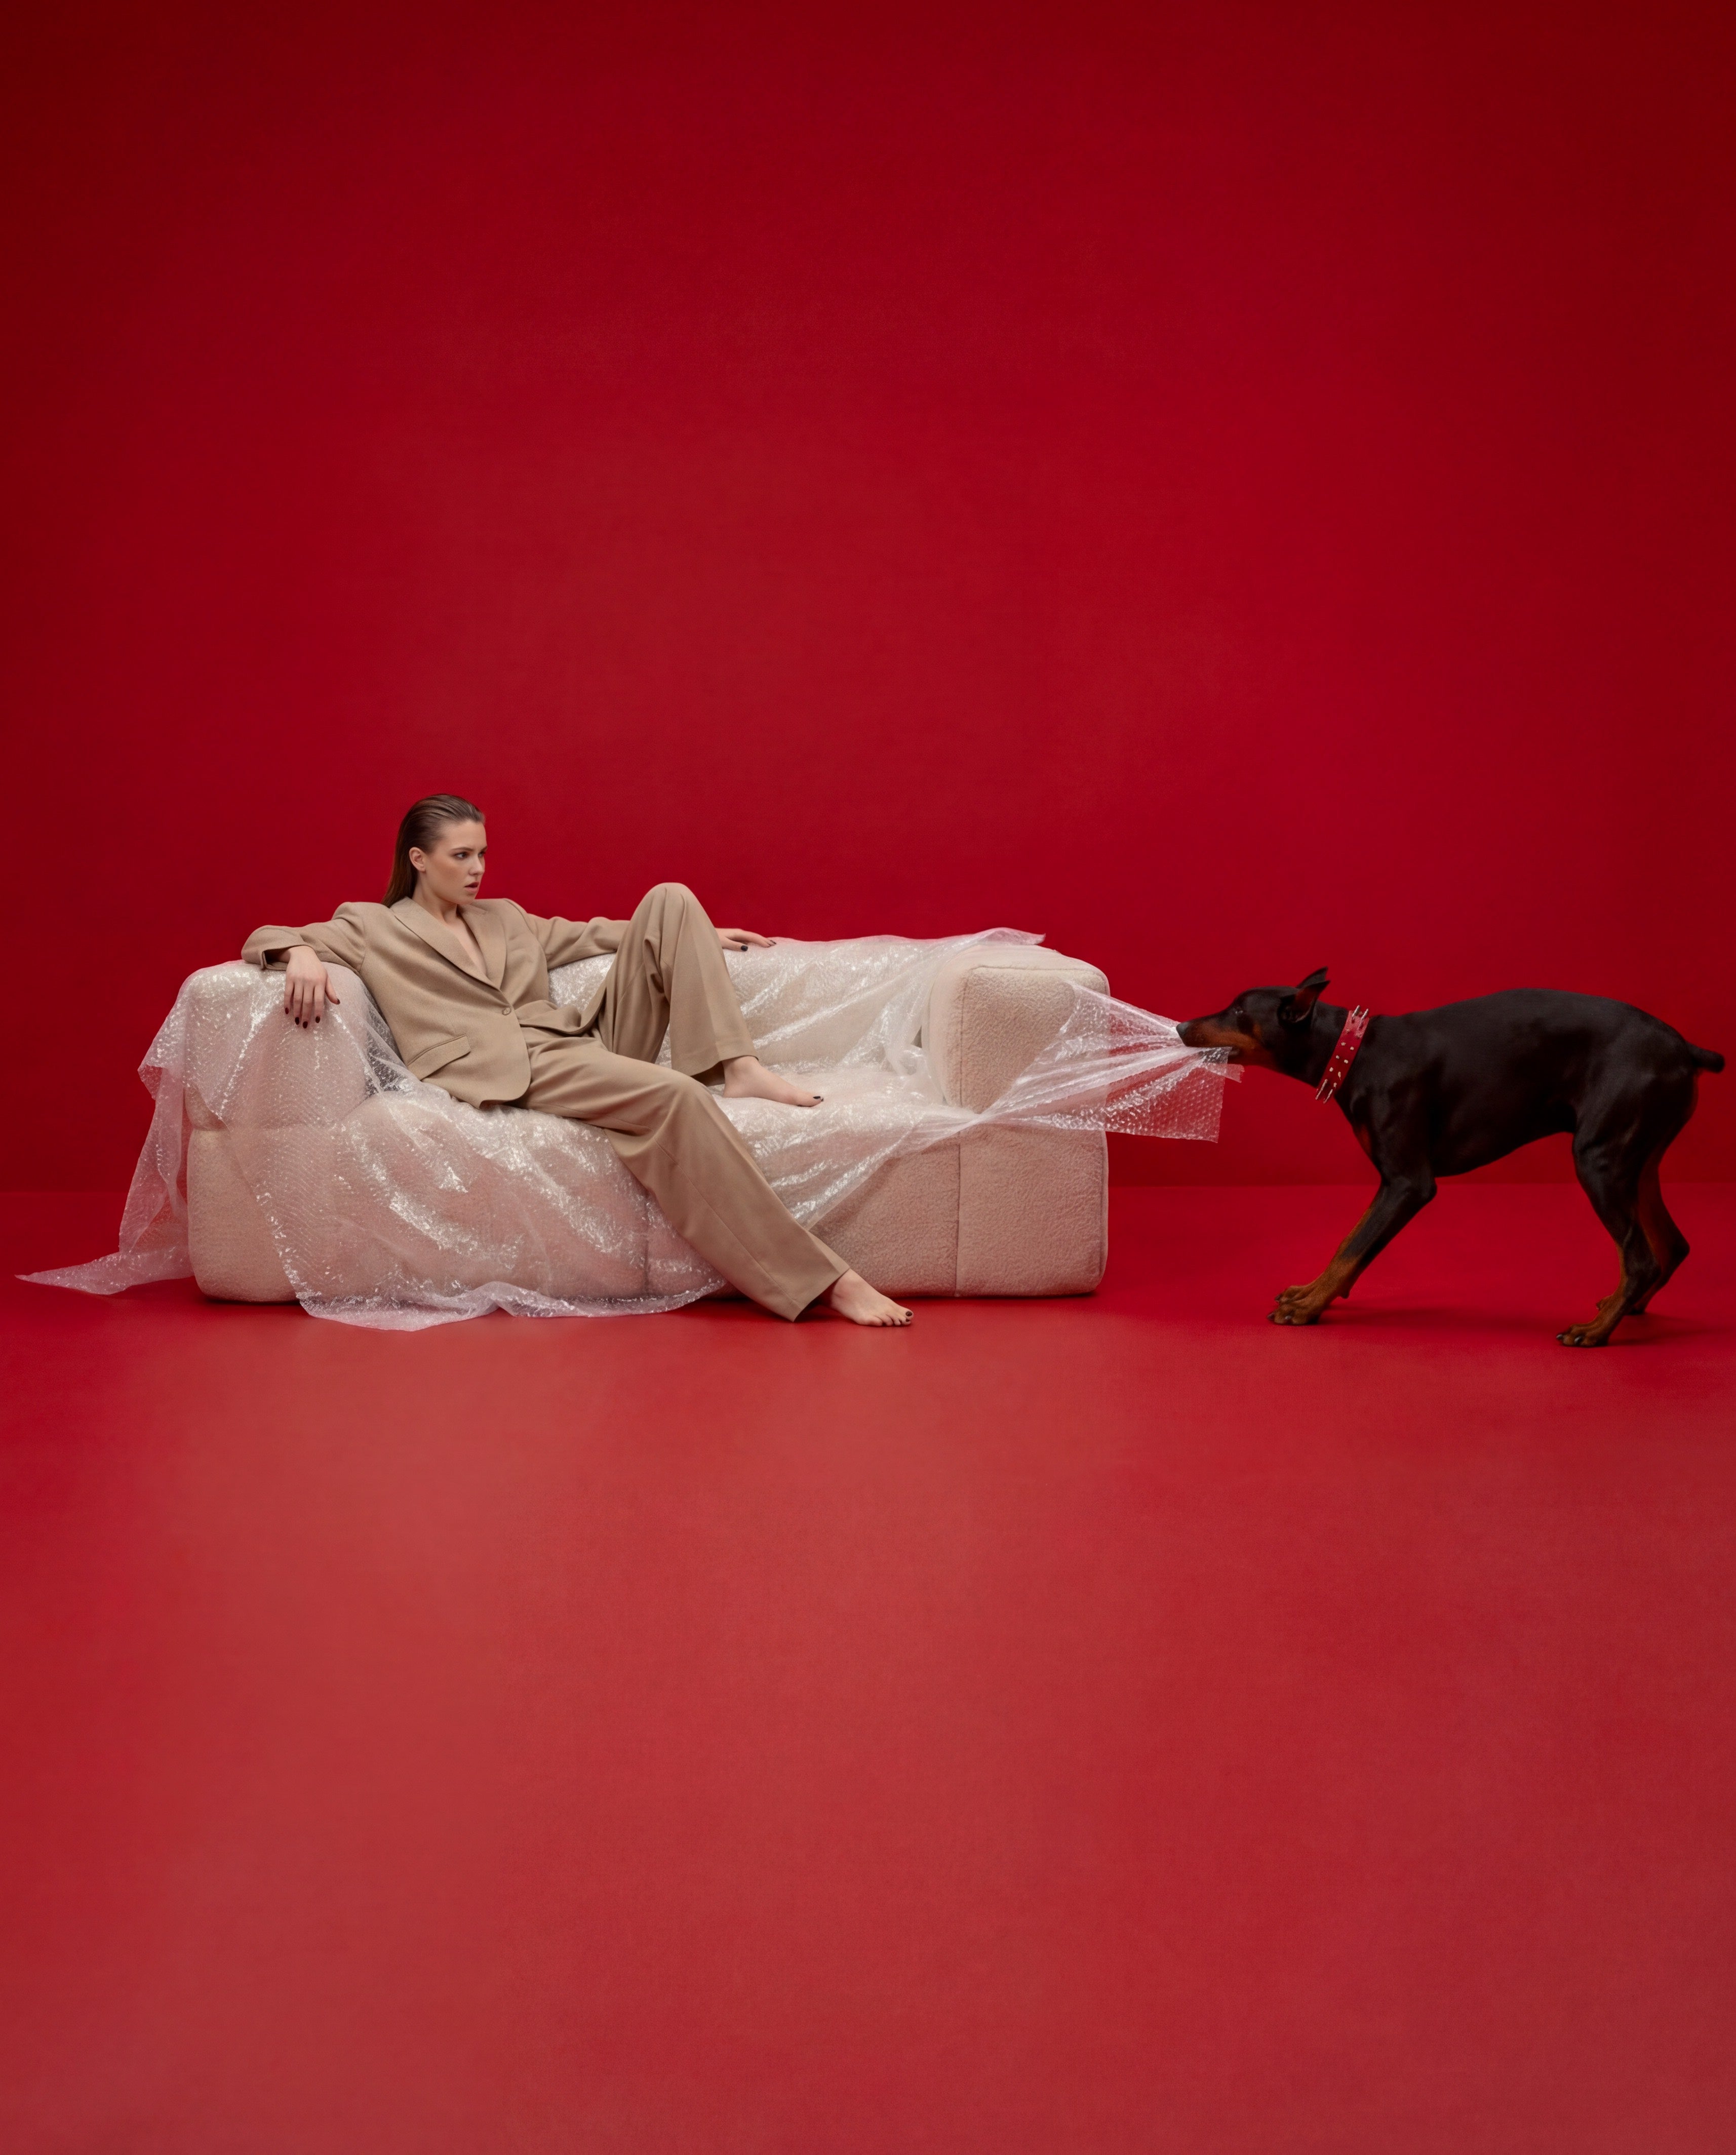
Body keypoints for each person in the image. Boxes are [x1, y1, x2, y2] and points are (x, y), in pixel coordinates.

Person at [242, 795, 912, 1326]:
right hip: (503, 1068)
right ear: (419, 860)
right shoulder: (373, 926)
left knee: (672, 898)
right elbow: (264, 936)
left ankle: (737, 1067)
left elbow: (594, 934)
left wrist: (697, 934)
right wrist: (300, 954)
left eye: (483, 854)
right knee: (677, 1096)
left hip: (574, 1042)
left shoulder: (504, 917)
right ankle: (825, 1281)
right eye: (461, 856)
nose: (477, 869)